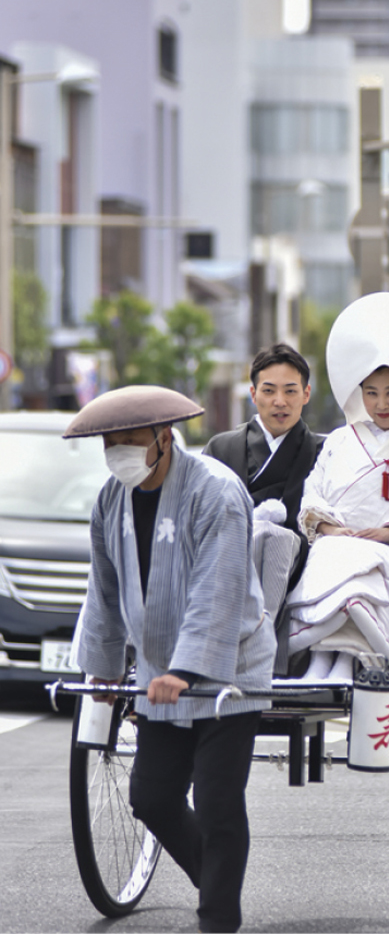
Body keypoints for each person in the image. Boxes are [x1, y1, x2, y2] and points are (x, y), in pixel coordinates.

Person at [66, 385, 276, 934]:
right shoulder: (111, 499)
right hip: (162, 670)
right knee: (151, 797)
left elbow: (219, 587)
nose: (120, 452)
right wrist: (105, 669)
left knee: (216, 801)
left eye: (130, 440)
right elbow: (104, 592)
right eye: (111, 443)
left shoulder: (215, 492)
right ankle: (218, 883)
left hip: (229, 668)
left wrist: (186, 669)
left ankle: (217, 921)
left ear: (163, 438)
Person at [285, 292, 389, 683]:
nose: (381, 403)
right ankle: (323, 662)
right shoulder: (341, 440)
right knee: (335, 554)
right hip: (338, 540)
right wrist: (330, 529)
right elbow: (314, 491)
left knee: (358, 563)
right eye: (372, 393)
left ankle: (344, 663)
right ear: (360, 394)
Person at [203, 343, 323, 535]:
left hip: (304, 563)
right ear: (253, 394)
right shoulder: (221, 449)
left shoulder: (325, 452)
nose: (280, 401)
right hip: (230, 561)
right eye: (268, 391)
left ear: (306, 394)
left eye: (290, 391)